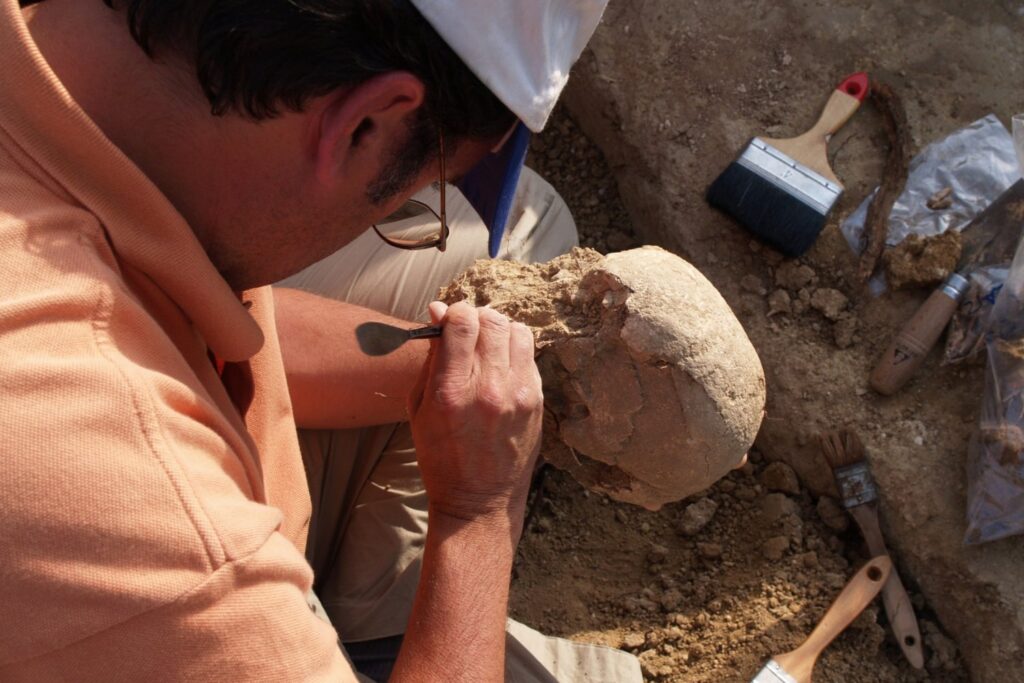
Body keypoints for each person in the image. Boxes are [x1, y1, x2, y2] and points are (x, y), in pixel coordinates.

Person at [0, 0, 642, 680]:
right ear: (362, 122)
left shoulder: (77, 86)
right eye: (411, 197)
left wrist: (459, 371)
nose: (401, 211)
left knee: (523, 229)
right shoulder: (170, 531)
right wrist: (477, 514)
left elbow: (237, 319)